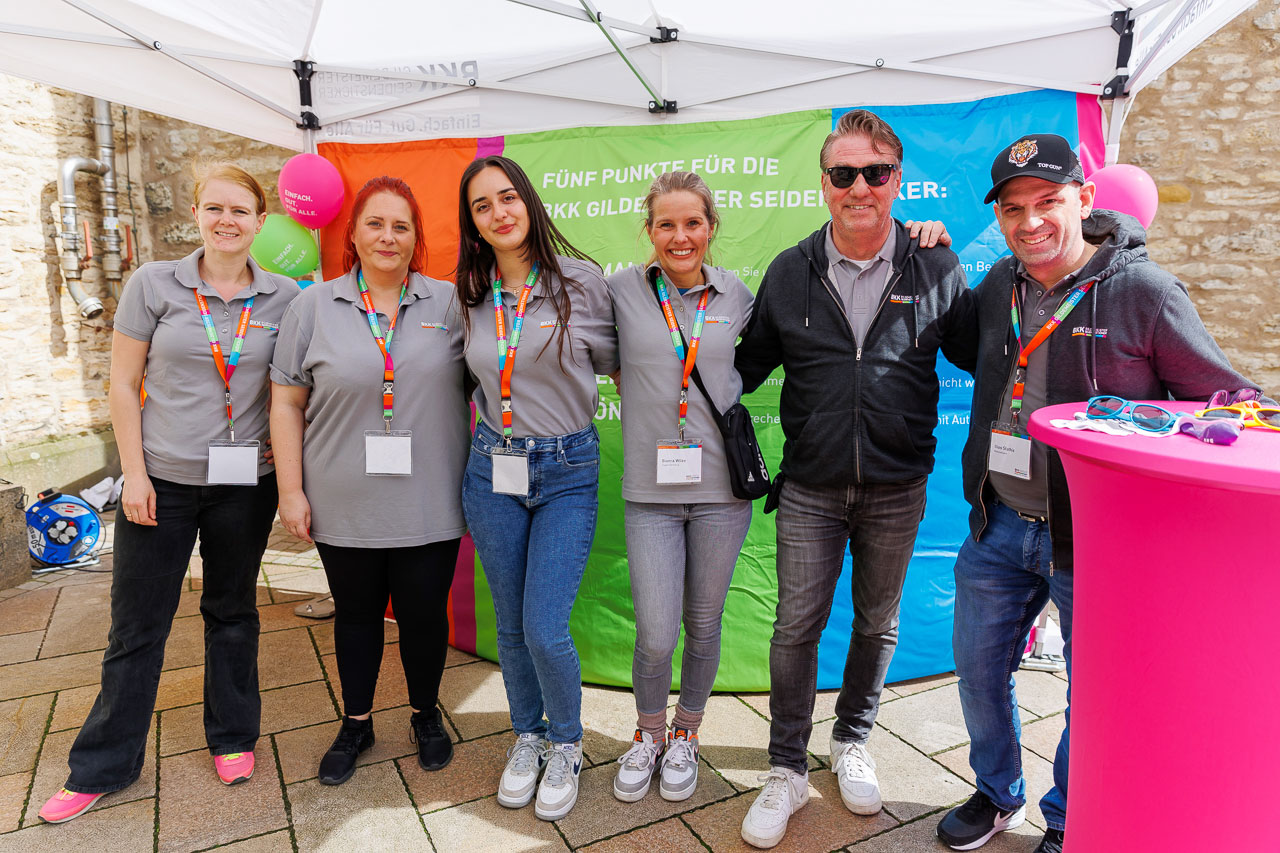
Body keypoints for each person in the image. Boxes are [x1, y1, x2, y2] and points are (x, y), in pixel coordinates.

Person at [936, 134, 1266, 853]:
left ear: (1085, 199)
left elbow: (1230, 401)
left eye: (1047, 201)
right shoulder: (1000, 285)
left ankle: (1068, 815)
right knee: (978, 671)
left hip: (1094, 541)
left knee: (1091, 693)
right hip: (999, 523)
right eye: (1013, 208)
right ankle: (997, 792)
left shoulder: (1145, 292)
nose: (1030, 222)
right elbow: (973, 352)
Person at [733, 109, 973, 849]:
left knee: (877, 622)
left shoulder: (935, 266)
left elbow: (987, 352)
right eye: (844, 173)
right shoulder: (789, 271)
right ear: (824, 184)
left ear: (898, 180)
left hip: (897, 486)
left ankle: (851, 740)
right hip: (810, 485)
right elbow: (741, 366)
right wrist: (657, 341)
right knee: (795, 626)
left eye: (875, 172)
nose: (859, 187)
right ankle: (785, 767)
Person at [38, 163, 299, 824]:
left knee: (232, 611)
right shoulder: (154, 283)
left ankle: (233, 734)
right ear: (196, 213)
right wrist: (134, 474)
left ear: (260, 220)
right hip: (161, 484)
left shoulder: (285, 296)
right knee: (137, 626)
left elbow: (293, 390)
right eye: (215, 208)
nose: (226, 221)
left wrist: (287, 456)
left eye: (240, 210)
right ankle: (102, 765)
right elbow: (122, 384)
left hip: (245, 485)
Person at [270, 176, 469, 785]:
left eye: (401, 226)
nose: (388, 236)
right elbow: (286, 402)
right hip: (343, 500)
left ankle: (425, 715)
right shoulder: (312, 307)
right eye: (375, 224)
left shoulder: (450, 304)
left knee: (423, 616)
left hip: (430, 499)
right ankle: (356, 723)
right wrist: (290, 490)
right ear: (352, 234)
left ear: (416, 237)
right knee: (356, 616)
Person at [455, 155, 617, 821]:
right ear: (472, 222)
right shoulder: (470, 290)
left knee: (545, 626)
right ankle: (528, 734)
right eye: (482, 205)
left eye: (507, 197)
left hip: (566, 470)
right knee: (511, 622)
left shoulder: (581, 282)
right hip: (492, 468)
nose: (498, 213)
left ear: (528, 200)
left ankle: (567, 742)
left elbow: (625, 361)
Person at [605, 171, 755, 803]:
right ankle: (647, 734)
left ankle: (686, 732)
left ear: (710, 227)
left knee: (704, 621)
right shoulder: (621, 290)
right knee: (656, 632)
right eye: (665, 224)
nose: (680, 236)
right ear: (649, 230)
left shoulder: (737, 294)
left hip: (721, 492)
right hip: (650, 493)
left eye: (692, 222)